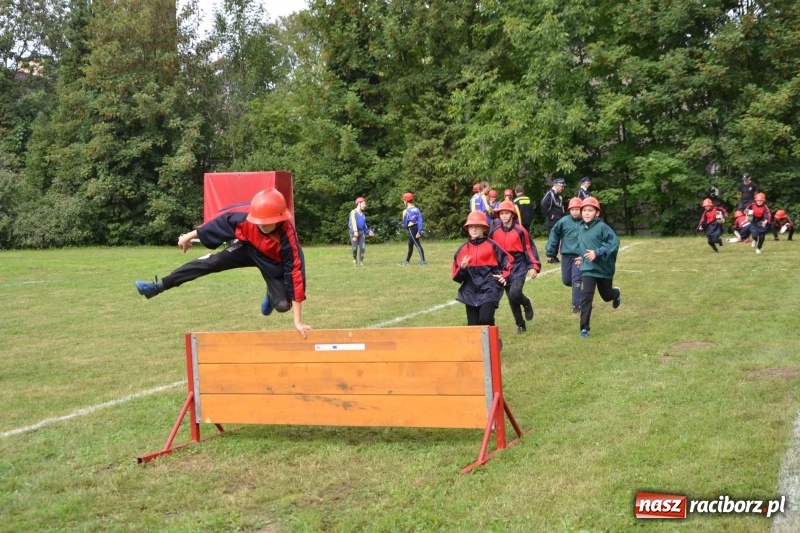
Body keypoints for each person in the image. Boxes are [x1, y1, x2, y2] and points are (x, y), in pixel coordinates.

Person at [134, 188, 312, 338]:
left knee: (282, 306)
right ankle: (157, 287)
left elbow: (295, 273)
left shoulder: (287, 237)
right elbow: (217, 224)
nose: (261, 225)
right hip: (248, 248)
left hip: (274, 264)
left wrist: (297, 321)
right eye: (258, 221)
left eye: (266, 223)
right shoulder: (243, 217)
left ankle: (271, 294)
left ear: (278, 218)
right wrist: (188, 236)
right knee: (212, 262)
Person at [452, 211, 512, 327]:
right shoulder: (463, 249)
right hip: (470, 291)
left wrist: (505, 275)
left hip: (489, 288)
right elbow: (456, 277)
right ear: (467, 228)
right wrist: (462, 268)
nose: (474, 229)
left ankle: (492, 338)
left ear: (484, 228)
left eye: (477, 226)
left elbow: (508, 261)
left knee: (485, 319)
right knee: (473, 326)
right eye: (471, 226)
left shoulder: (492, 246)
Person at [489, 201, 540, 334]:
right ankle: (521, 325)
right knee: (511, 299)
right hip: (504, 267)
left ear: (512, 214)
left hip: (519, 265)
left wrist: (533, 266)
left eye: (507, 213)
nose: (504, 216)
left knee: (515, 293)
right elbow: (491, 250)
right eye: (501, 213)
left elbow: (529, 249)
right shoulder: (494, 232)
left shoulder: (521, 231)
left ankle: (527, 303)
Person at [574, 197, 621, 339]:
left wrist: (597, 252)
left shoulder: (602, 227)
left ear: (597, 213)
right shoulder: (581, 228)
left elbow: (614, 243)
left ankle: (616, 293)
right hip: (588, 269)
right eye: (584, 210)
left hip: (603, 269)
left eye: (590, 210)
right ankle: (584, 328)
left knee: (606, 296)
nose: (587, 213)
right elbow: (584, 246)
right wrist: (582, 257)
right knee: (586, 296)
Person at [546, 197, 584, 313]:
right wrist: (550, 251)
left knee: (576, 279)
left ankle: (577, 306)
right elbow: (554, 234)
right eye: (572, 210)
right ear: (569, 210)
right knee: (567, 280)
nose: (575, 212)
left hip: (579, 256)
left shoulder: (586, 221)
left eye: (577, 209)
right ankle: (582, 294)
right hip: (566, 255)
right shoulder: (564, 221)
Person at [541, 178, 566, 263]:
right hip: (553, 220)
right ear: (557, 185)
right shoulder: (550, 193)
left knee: (557, 238)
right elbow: (543, 204)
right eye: (562, 186)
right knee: (552, 238)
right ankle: (550, 257)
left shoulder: (557, 194)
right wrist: (550, 214)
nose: (563, 188)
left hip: (558, 219)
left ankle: (554, 255)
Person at [399, 192, 426, 265]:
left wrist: (405, 227)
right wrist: (419, 231)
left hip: (412, 228)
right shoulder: (417, 209)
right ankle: (407, 261)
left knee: (417, 244)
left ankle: (423, 261)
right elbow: (420, 220)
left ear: (406, 201)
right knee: (410, 244)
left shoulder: (405, 211)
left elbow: (405, 223)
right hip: (417, 228)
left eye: (404, 200)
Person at [348, 197, 374, 266]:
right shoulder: (353, 212)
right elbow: (353, 222)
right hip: (354, 233)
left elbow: (365, 226)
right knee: (354, 248)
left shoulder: (363, 215)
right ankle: (354, 259)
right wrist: (355, 231)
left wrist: (369, 231)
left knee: (362, 247)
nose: (365, 205)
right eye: (364, 204)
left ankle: (361, 262)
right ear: (359, 203)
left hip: (361, 233)